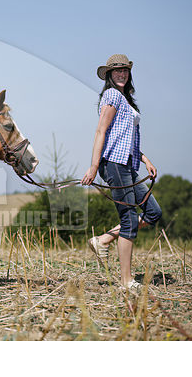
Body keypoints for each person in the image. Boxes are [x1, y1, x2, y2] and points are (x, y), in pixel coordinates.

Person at [81, 54, 162, 292]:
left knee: (153, 212)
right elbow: (101, 132)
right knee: (129, 220)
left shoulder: (125, 100)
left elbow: (125, 139)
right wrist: (94, 167)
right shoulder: (112, 95)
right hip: (114, 164)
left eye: (125, 70)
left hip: (128, 163)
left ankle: (103, 239)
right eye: (116, 70)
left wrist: (145, 159)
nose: (122, 74)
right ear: (108, 74)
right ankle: (127, 281)